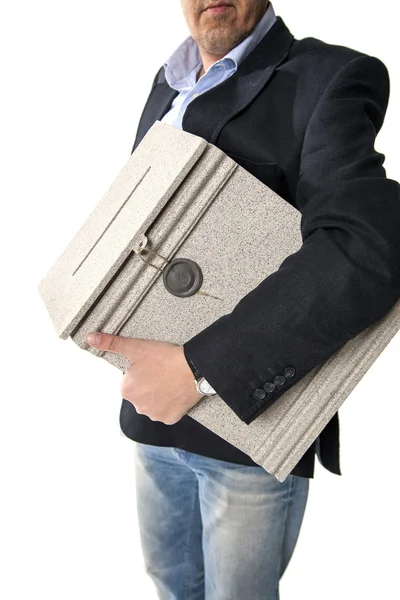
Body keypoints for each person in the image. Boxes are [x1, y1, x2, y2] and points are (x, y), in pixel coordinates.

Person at [86, 1, 400, 598]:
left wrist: (198, 370)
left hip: (249, 429)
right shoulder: (167, 82)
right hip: (152, 416)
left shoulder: (329, 77)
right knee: (171, 585)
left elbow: (365, 251)